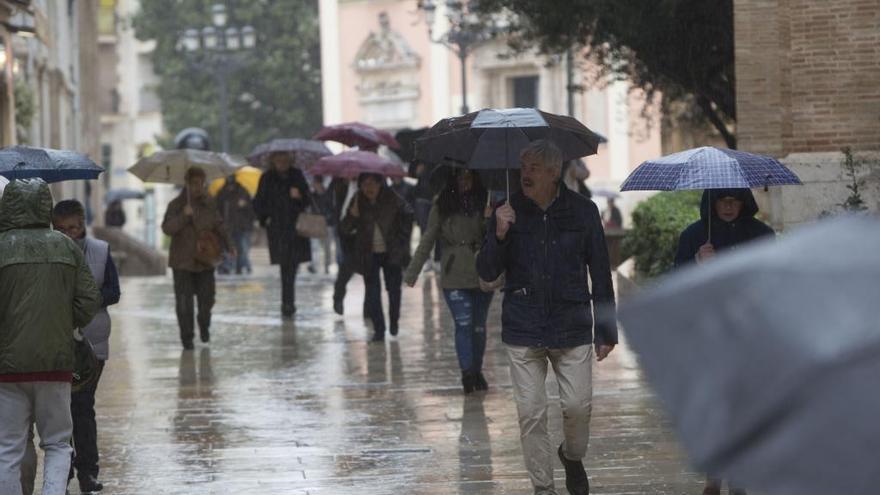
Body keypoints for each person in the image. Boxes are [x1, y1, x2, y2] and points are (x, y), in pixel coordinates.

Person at [477, 140, 617, 495]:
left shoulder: (583, 211)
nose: (525, 174)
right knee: (531, 413)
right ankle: (543, 487)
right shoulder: (505, 210)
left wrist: (606, 329)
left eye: (534, 167)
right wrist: (499, 233)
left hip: (571, 324)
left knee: (577, 407)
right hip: (523, 326)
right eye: (523, 167)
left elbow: (600, 271)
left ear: (555, 173)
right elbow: (487, 271)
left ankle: (571, 456)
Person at [0, 179, 101, 495]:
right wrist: (61, 323)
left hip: (6, 366)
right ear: (45, 205)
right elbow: (88, 301)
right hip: (56, 363)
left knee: (7, 447)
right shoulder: (66, 246)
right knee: (58, 443)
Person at [674, 187, 774, 495]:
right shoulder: (694, 236)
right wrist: (698, 264)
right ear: (712, 202)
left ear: (744, 202)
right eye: (723, 200)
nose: (729, 206)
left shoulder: (761, 234)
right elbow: (678, 285)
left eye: (735, 200)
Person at [43, 200, 120, 494]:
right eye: (60, 229)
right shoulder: (46, 252)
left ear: (83, 225)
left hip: (91, 347)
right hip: (58, 343)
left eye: (73, 228)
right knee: (62, 409)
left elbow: (113, 291)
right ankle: (63, 471)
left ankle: (87, 471)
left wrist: (87, 299)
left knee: (82, 406)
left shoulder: (100, 251)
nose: (68, 234)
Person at [404, 168, 494, 393]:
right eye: (460, 177)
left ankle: (477, 369)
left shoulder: (486, 201)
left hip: (481, 271)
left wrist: (489, 219)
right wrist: (412, 272)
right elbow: (428, 239)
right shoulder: (442, 204)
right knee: (463, 324)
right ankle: (467, 374)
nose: (465, 182)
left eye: (469, 177)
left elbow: (495, 237)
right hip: (454, 274)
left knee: (479, 327)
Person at [162, 166, 234, 349]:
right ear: (186, 184)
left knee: (207, 300)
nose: (198, 187)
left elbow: (219, 225)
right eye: (194, 183)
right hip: (182, 262)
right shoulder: (175, 205)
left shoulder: (209, 203)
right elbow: (167, 228)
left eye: (201, 183)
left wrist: (229, 245)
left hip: (205, 260)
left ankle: (204, 325)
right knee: (184, 304)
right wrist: (183, 217)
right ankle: (187, 339)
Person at [339, 173, 413, 341]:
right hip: (368, 253)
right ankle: (379, 330)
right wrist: (353, 215)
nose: (369, 188)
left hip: (391, 252)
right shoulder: (358, 200)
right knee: (372, 293)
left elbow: (409, 213)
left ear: (380, 184)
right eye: (364, 184)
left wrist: (402, 240)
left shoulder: (391, 197)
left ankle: (394, 320)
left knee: (394, 290)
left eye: (372, 183)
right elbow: (344, 228)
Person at [252, 152, 312, 318]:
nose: (282, 163)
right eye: (279, 160)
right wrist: (265, 218)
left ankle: (288, 302)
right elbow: (258, 202)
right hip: (278, 228)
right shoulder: (267, 178)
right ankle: (287, 302)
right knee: (285, 265)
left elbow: (308, 200)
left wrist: (299, 196)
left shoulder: (297, 175)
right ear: (273, 161)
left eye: (285, 160)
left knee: (291, 266)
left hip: (296, 228)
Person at [215, 175, 256, 275]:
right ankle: (226, 267)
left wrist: (245, 205)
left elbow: (252, 210)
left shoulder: (243, 192)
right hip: (227, 226)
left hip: (241, 227)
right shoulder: (222, 193)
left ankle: (241, 267)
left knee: (242, 248)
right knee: (227, 248)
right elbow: (216, 210)